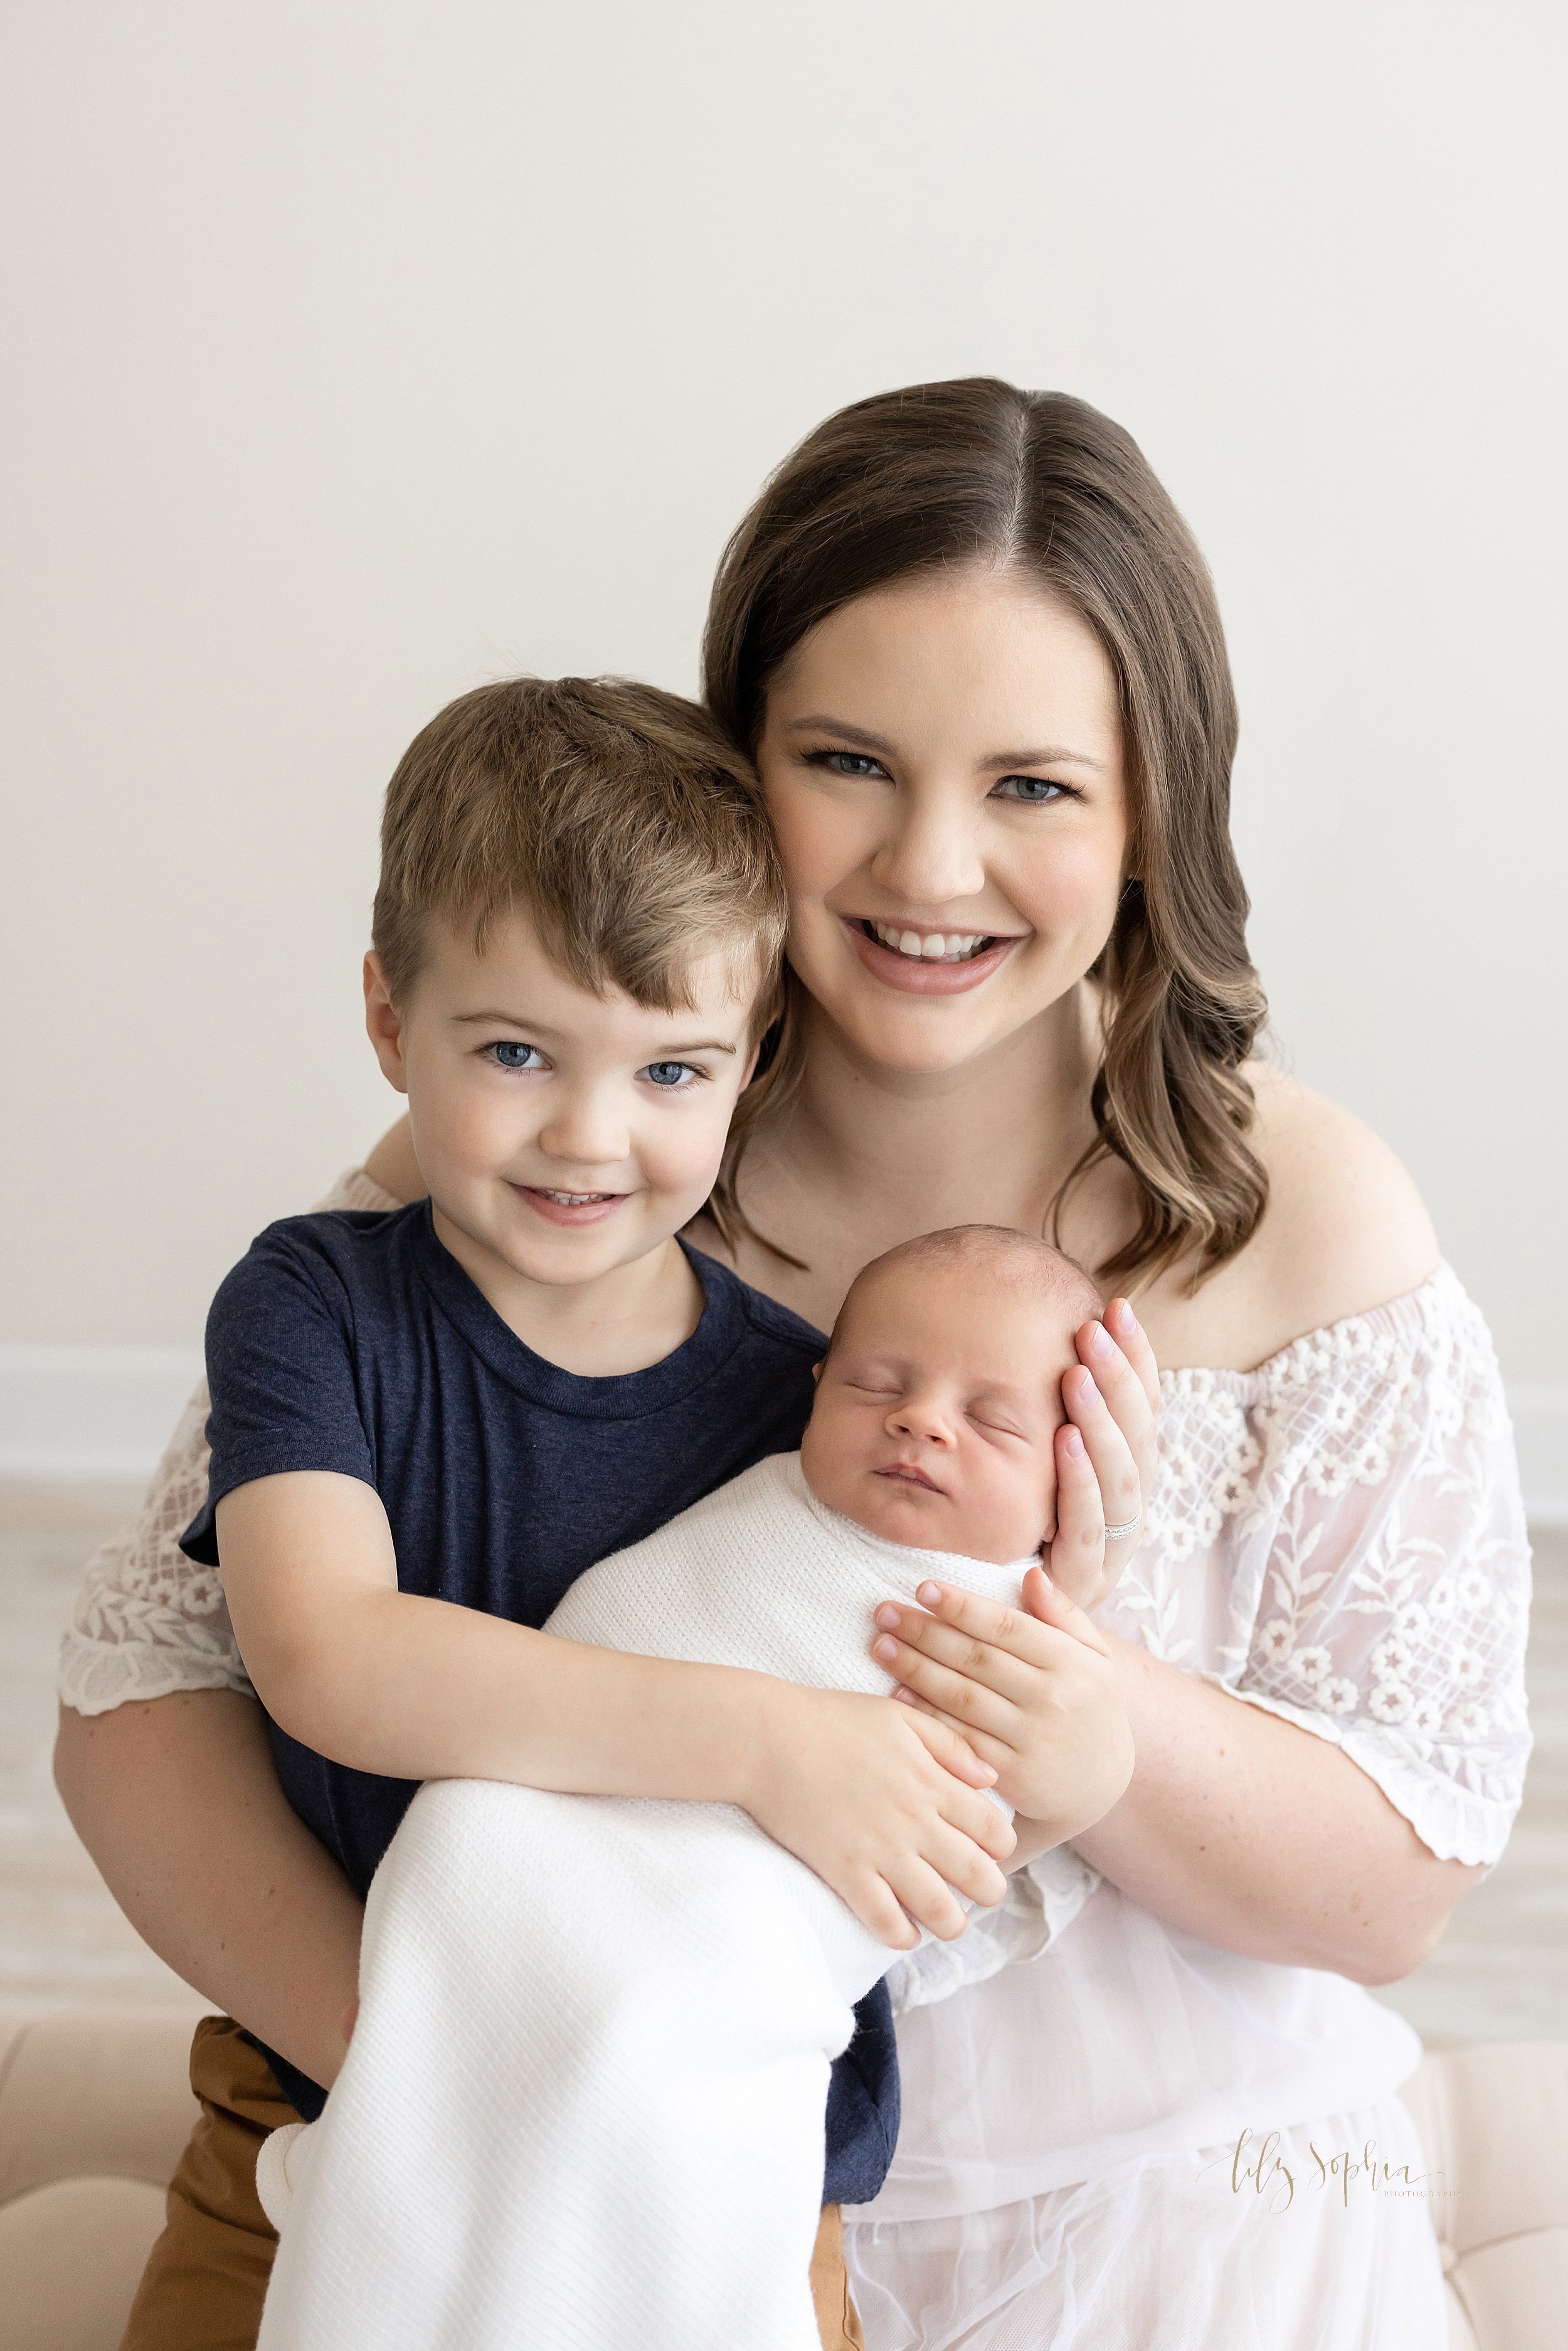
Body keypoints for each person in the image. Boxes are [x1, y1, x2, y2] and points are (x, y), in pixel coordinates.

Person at [56, 377, 1530, 2350]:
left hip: (1148, 2203)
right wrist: (466, 2068)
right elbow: (150, 1695)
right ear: (735, 756)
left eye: (1032, 785)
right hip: (560, 2166)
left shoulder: (1301, 1216)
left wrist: (1087, 1730)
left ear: (1152, 805)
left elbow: (1394, 1888)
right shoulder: (564, 1152)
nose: (930, 866)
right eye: (846, 758)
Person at [249, 1229, 1123, 2351]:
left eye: (992, 1419)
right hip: (504, 1867)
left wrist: (1078, 1742)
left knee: (663, 2083)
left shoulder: (1007, 1634)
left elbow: (966, 1852)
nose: (921, 1419)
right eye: (877, 1384)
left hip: (715, 1965)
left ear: (1073, 1470)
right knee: (477, 1878)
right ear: (813, 1392)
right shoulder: (751, 1484)